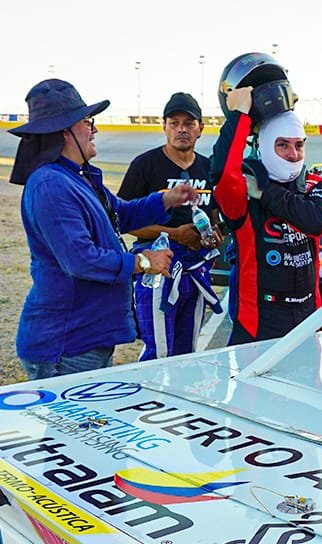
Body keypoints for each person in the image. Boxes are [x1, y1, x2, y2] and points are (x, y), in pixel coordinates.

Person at [8, 78, 196, 379]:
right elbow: (80, 259)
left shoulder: (77, 177)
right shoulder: (51, 185)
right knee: (71, 428)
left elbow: (119, 213)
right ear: (64, 132)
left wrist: (165, 200)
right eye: (87, 122)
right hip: (66, 346)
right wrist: (143, 262)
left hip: (86, 339)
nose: (94, 129)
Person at [213, 86, 322, 344]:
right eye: (282, 145)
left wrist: (266, 194)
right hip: (259, 323)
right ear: (265, 145)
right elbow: (222, 173)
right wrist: (238, 115)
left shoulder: (312, 184)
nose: (293, 154)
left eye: (299, 145)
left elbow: (317, 222)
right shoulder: (243, 195)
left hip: (308, 319)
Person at [116, 92, 223, 361]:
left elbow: (216, 216)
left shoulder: (208, 168)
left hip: (196, 268)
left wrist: (215, 233)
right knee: (159, 350)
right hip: (158, 269)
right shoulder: (145, 165)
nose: (181, 129)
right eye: (174, 123)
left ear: (201, 129)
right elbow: (125, 222)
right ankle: (151, 400)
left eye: (189, 123)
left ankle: (183, 402)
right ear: (164, 127)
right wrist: (174, 234)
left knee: (186, 352)